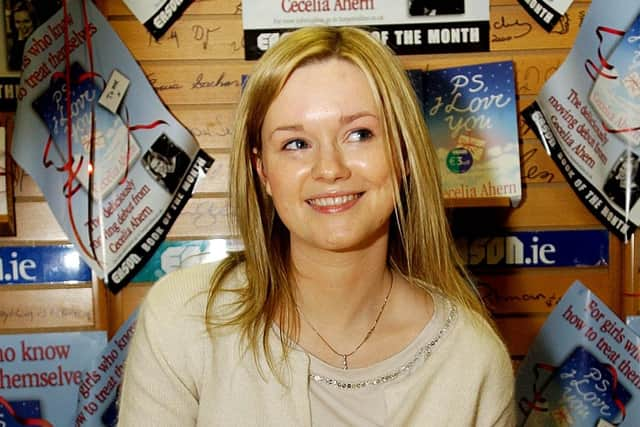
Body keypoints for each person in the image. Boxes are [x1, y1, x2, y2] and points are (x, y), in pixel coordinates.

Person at [117, 26, 516, 426]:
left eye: (359, 134)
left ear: (403, 152)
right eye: (296, 144)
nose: (330, 169)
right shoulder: (182, 319)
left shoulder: (473, 360)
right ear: (263, 172)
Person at [7, 1, 36, 70]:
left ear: (34, 21)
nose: (22, 26)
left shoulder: (41, 38)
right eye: (18, 22)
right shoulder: (11, 43)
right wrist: (20, 41)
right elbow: (14, 67)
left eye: (26, 21)